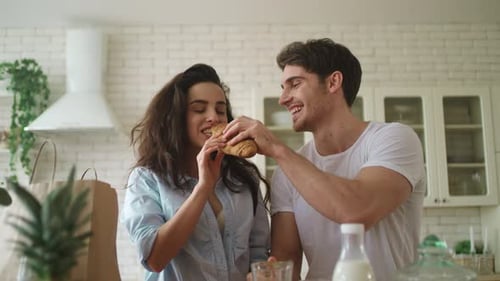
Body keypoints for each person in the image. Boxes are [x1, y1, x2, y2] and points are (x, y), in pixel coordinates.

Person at [224, 38, 426, 281]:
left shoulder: (394, 139)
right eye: (283, 88)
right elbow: (286, 261)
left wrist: (276, 148)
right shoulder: (287, 172)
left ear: (333, 82)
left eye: (294, 84)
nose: (283, 98)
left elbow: (356, 211)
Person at [121, 63, 270, 281]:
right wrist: (203, 188)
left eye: (220, 110)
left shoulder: (243, 178)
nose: (214, 117)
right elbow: (154, 259)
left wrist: (263, 271)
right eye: (199, 109)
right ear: (177, 118)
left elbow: (257, 254)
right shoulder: (147, 179)